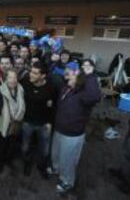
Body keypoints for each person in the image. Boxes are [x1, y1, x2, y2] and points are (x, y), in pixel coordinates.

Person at [48, 61, 101, 195]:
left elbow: (94, 96)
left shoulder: (84, 94)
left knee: (68, 160)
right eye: (67, 74)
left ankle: (67, 182)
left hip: (72, 134)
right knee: (56, 154)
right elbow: (52, 74)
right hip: (59, 129)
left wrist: (90, 76)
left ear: (78, 77)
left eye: (71, 74)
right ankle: (56, 169)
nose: (68, 77)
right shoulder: (66, 88)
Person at [21, 61, 56, 177]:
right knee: (25, 147)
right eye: (31, 71)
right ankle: (27, 164)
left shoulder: (51, 87)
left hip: (44, 124)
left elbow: (54, 106)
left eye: (35, 73)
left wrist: (50, 122)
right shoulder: (25, 82)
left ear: (43, 76)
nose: (31, 74)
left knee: (45, 150)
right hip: (27, 122)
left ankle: (42, 167)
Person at [0, 68, 25, 173]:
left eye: (15, 77)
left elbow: (22, 105)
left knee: (11, 145)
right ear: (5, 79)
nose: (13, 80)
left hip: (15, 123)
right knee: (0, 146)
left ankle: (7, 160)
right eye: (10, 77)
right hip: (1, 125)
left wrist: (17, 116)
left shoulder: (21, 89)